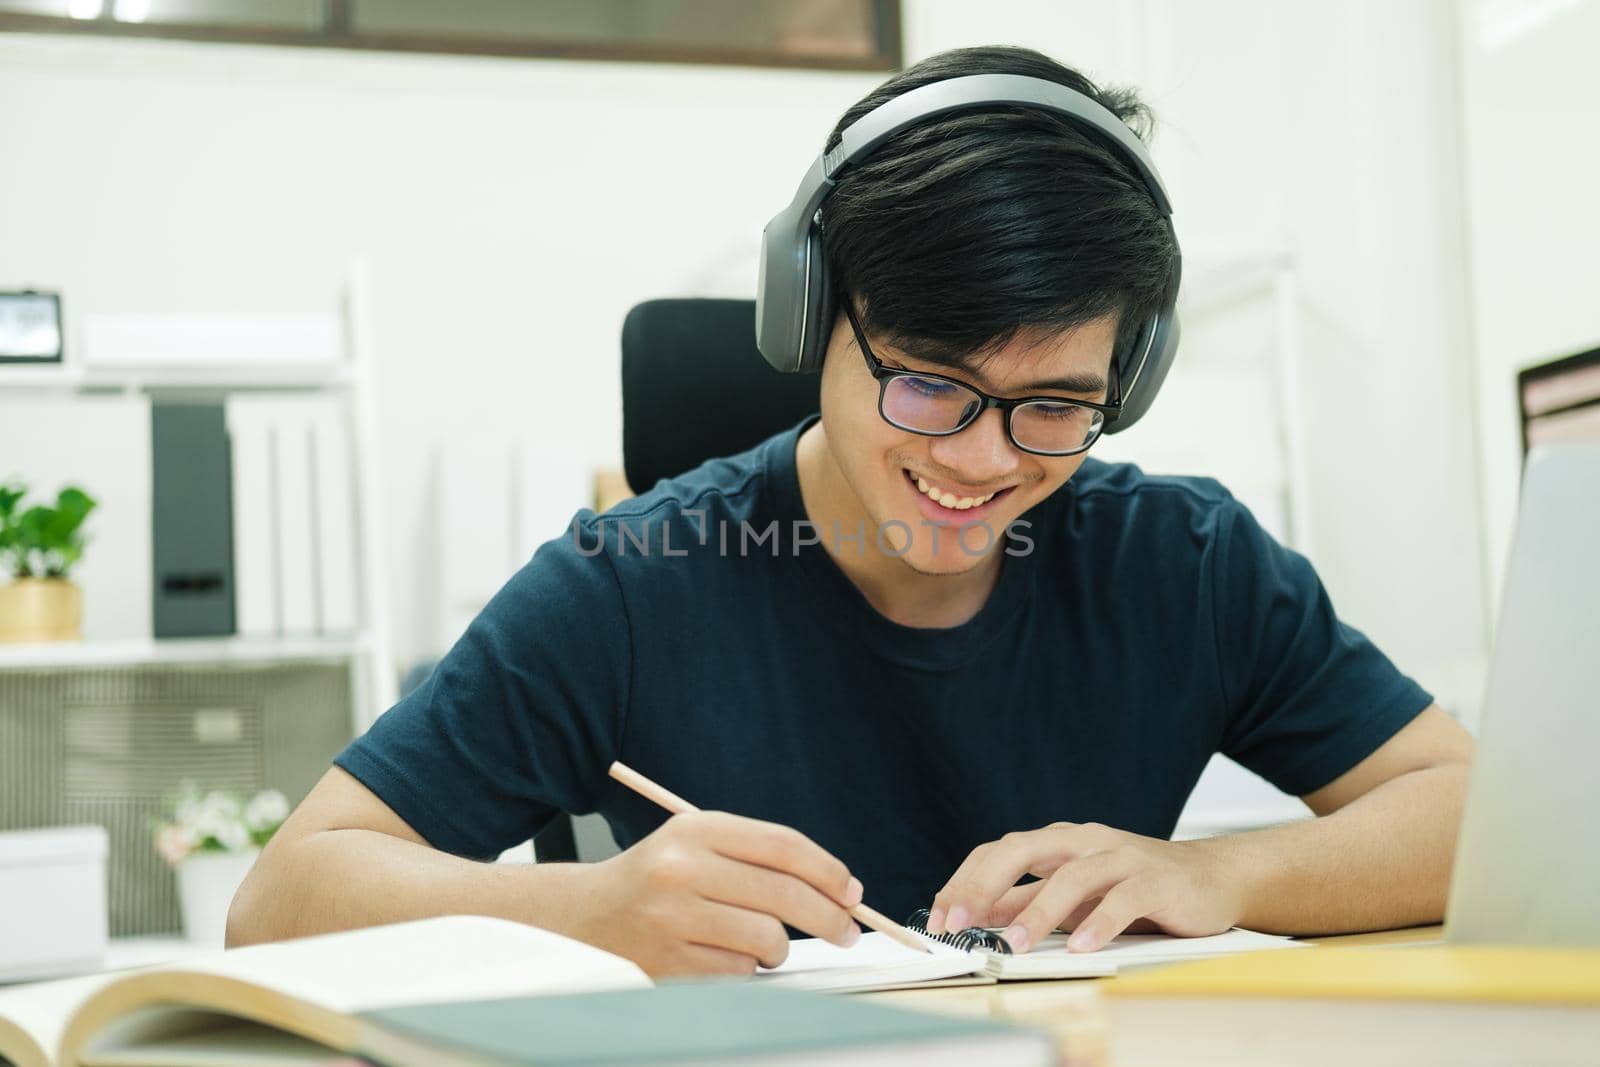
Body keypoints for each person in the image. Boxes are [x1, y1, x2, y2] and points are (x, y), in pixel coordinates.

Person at [228, 45, 1473, 976]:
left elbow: (1468, 805)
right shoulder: (633, 581)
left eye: (1052, 404)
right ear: (809, 314)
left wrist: (1217, 870)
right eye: (930, 382)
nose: (982, 460)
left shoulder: (1187, 562)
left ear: (1126, 383)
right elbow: (282, 894)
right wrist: (585, 910)